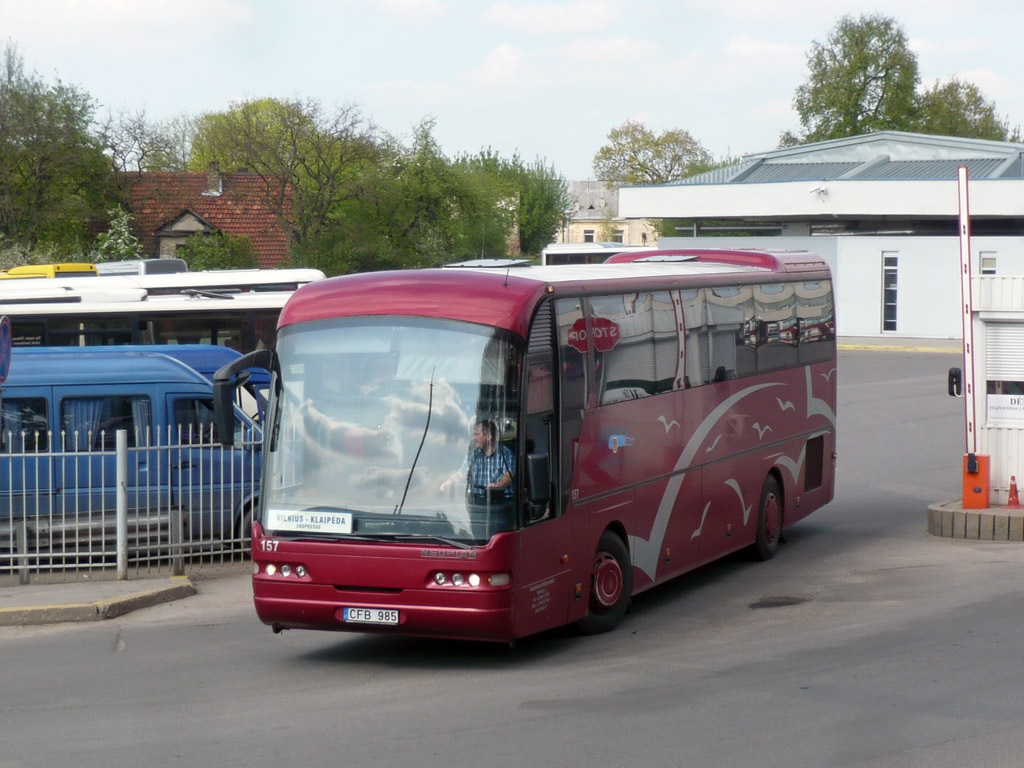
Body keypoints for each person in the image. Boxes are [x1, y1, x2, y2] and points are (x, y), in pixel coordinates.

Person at [440, 419, 515, 500]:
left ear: (489, 437)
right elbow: (460, 474)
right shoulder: (472, 455)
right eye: (473, 434)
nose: (474, 438)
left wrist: (497, 486)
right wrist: (449, 482)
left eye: (477, 434)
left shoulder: (506, 454)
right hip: (476, 504)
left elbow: (508, 476)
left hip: (500, 503)